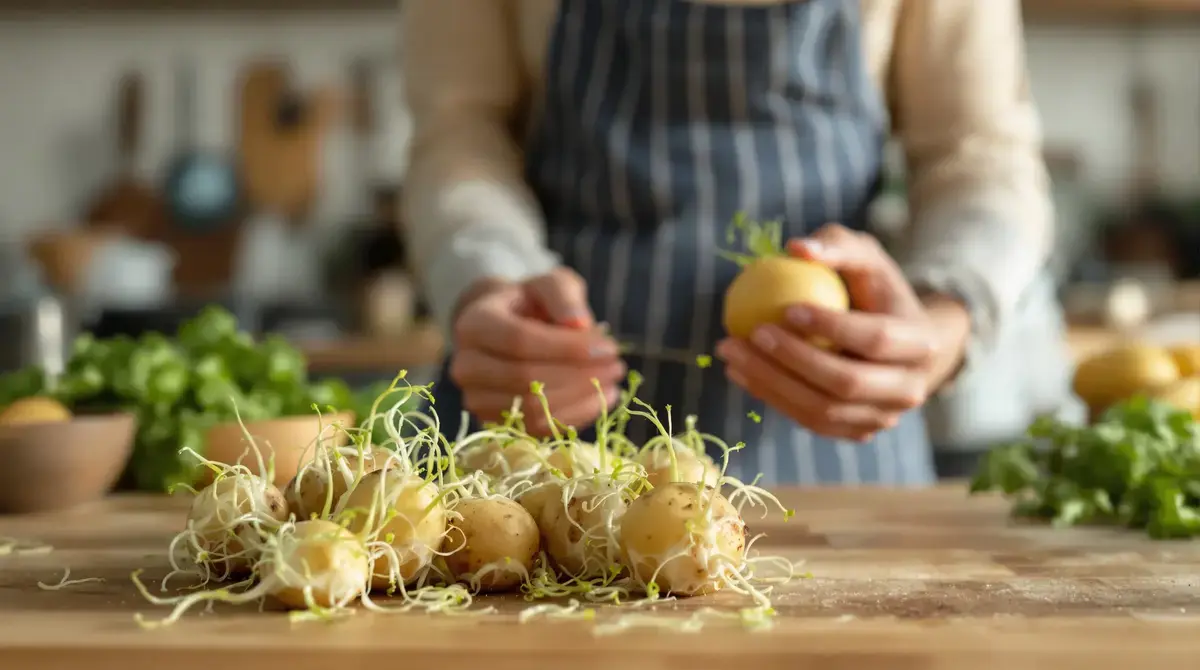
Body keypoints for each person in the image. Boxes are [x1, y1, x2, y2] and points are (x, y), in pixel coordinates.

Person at [399, 0, 1055, 486]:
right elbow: (459, 133)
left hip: (835, 460)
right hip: (534, 451)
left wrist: (944, 320)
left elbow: (982, 159)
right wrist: (488, 276)